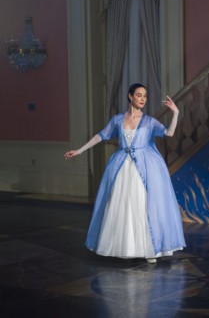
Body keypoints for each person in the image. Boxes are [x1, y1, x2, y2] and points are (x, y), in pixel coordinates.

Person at [64, 83, 186, 264]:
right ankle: (123, 246)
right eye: (139, 95)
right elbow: (101, 135)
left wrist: (175, 112)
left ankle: (149, 249)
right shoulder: (118, 119)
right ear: (130, 97)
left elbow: (169, 133)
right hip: (122, 165)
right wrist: (80, 150)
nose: (143, 99)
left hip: (144, 166)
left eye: (145, 95)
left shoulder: (149, 121)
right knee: (120, 204)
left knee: (142, 204)